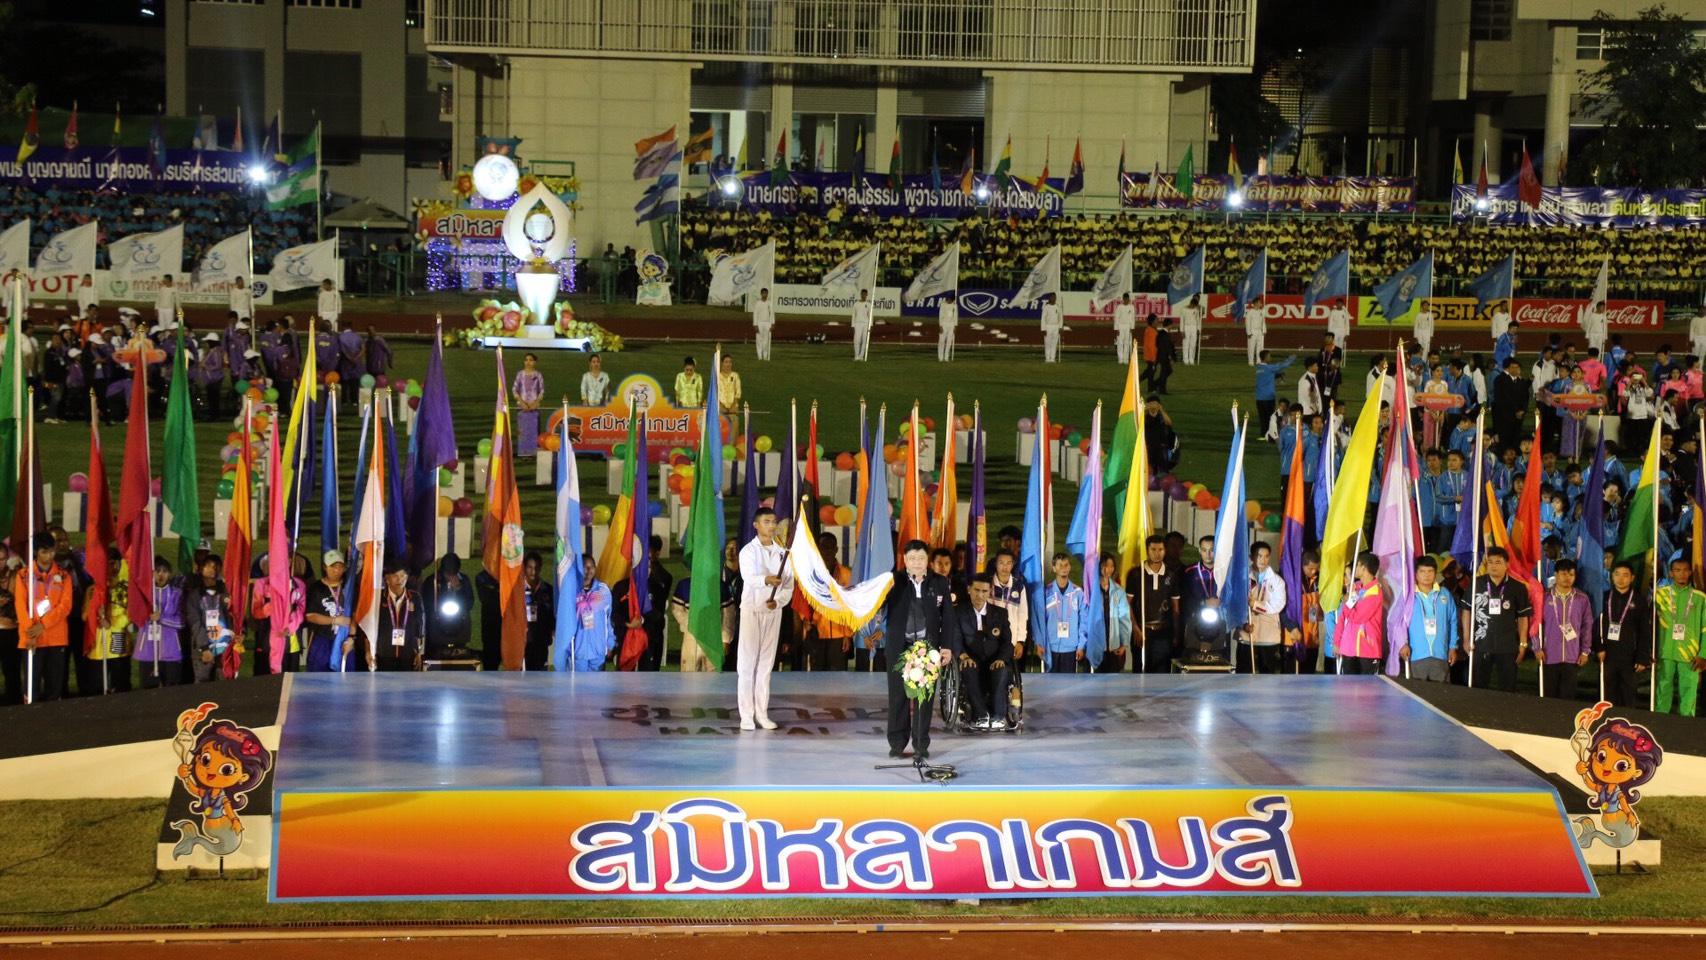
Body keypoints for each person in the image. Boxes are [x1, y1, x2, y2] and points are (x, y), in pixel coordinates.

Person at [881, 540, 957, 758]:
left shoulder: (939, 582)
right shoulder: (893, 581)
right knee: (898, 696)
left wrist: (947, 647)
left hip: (927, 648)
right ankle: (897, 743)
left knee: (923, 697)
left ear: (928, 561)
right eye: (912, 558)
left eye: (921, 558)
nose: (917, 563)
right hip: (899, 647)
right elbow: (877, 604)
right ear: (905, 560)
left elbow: (948, 617)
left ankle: (921, 744)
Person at [737, 507, 794, 730]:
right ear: (756, 525)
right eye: (766, 521)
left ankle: (762, 713)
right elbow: (749, 577)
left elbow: (788, 585)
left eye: (773, 522)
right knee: (747, 665)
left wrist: (777, 602)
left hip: (772, 612)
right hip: (752, 610)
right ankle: (746, 715)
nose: (771, 526)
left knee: (765, 665)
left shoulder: (783, 553)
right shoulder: (748, 551)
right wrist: (767, 580)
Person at [1459, 546, 1532, 692]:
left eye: (1498, 562)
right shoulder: (1476, 584)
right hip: (1481, 643)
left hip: (1507, 645)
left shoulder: (1518, 587)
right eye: (1490, 562)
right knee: (1478, 687)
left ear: (1507, 564)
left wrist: (1523, 643)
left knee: (1508, 687)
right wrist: (1466, 638)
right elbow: (1466, 611)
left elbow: (1523, 617)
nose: (1493, 566)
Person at [15, 533, 74, 703]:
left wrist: (43, 625)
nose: (49, 555)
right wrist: (30, 633)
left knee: (54, 687)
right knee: (31, 688)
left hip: (56, 638)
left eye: (52, 551)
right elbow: (21, 606)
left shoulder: (64, 576)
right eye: (44, 552)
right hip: (32, 638)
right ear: (36, 552)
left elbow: (65, 606)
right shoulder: (23, 575)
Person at [956, 573, 1014, 729]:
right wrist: (963, 656)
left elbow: (1007, 643)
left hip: (994, 659)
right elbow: (955, 638)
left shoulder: (1000, 613)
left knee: (1001, 670)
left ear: (990, 592)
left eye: (984, 591)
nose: (980, 595)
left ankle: (998, 716)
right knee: (968, 668)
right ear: (969, 589)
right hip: (971, 658)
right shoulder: (958, 612)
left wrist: (1001, 659)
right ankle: (980, 715)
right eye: (976, 590)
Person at [1653, 557, 1706, 716]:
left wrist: (1703, 654)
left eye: (1685, 570)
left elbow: (1705, 629)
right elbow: (1650, 626)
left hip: (1690, 654)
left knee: (1688, 692)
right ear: (1671, 573)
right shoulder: (1660, 595)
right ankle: (1660, 723)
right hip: (1665, 651)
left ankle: (1687, 726)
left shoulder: (1700, 597)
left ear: (1690, 572)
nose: (1681, 574)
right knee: (1663, 689)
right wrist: (1652, 649)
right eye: (1677, 570)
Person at [1538, 559, 1593, 700]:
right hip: (1548, 655)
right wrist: (1536, 647)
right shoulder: (1544, 597)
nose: (1567, 578)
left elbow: (1587, 625)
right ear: (1555, 575)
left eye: (1571, 574)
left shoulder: (1582, 599)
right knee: (1549, 698)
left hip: (1572, 657)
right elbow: (1536, 624)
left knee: (1567, 698)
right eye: (1563, 574)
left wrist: (1585, 651)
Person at [1598, 561, 1651, 708]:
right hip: (1607, 654)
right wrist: (1599, 647)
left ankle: (1627, 721)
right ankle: (1606, 720)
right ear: (1611, 576)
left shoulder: (1639, 600)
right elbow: (1596, 625)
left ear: (1632, 578)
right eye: (1617, 574)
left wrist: (1642, 657)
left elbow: (1644, 631)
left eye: (1625, 575)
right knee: (1607, 694)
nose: (1620, 578)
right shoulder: (1603, 597)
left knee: (1628, 694)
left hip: (1629, 656)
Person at [1127, 535, 1180, 673]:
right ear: (1147, 550)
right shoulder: (1136, 574)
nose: (1157, 553)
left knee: (1161, 672)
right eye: (1153, 549)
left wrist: (1176, 633)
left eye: (1160, 549)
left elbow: (1175, 607)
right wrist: (1136, 628)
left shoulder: (1171, 575)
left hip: (1163, 632)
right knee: (1140, 670)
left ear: (1165, 550)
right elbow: (1128, 604)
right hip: (1142, 631)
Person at [83, 549, 133, 694]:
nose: (113, 567)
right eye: (108, 564)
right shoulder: (92, 590)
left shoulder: (126, 589)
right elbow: (84, 616)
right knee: (97, 686)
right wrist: (94, 609)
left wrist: (111, 623)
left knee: (121, 683)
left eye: (115, 563)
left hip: (119, 641)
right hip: (98, 644)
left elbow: (130, 615)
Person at [802, 531, 852, 671]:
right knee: (817, 675)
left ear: (836, 549)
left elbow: (850, 608)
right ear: (818, 549)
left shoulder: (846, 575)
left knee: (838, 677)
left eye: (831, 547)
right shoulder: (810, 575)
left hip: (839, 635)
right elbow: (803, 601)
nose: (827, 550)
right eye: (824, 547)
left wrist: (847, 635)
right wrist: (806, 622)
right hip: (816, 631)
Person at [186, 555, 241, 681]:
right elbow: (195, 623)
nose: (213, 569)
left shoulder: (227, 592)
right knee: (203, 687)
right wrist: (204, 648)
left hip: (225, 649)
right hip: (204, 650)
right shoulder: (194, 595)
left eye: (216, 566)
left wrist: (241, 632)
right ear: (201, 569)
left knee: (226, 685)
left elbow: (237, 614)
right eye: (208, 566)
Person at [1403, 556, 1457, 682]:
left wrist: (1453, 646)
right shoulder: (1408, 595)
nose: (1426, 575)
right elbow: (1399, 623)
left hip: (1440, 653)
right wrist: (1402, 643)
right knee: (1417, 692)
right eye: (1422, 571)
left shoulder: (1444, 594)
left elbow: (1453, 621)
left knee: (1440, 692)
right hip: (1416, 653)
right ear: (1416, 574)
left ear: (1435, 573)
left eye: (1430, 571)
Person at [136, 558, 187, 687]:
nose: (161, 574)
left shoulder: (177, 594)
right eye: (157, 571)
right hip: (147, 651)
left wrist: (162, 618)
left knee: (172, 690)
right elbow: (134, 617)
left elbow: (182, 622)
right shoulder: (143, 594)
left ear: (169, 574)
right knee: (148, 690)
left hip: (170, 651)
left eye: (165, 571)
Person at [304, 551, 355, 672]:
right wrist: (334, 620)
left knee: (345, 676)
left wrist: (352, 637)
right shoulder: (316, 588)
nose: (337, 570)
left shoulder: (349, 587)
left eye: (340, 566)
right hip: (322, 639)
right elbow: (310, 616)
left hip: (345, 639)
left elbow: (356, 615)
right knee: (319, 676)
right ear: (324, 567)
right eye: (333, 566)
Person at [1241, 542, 1287, 673]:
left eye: (1266, 556)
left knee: (1267, 676)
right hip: (1246, 634)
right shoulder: (1242, 577)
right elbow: (1236, 604)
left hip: (1268, 635)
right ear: (1251, 557)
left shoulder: (1277, 581)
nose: (1263, 560)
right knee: (1244, 674)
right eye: (1259, 556)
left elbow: (1278, 605)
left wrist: (1256, 605)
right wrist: (1242, 624)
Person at [1336, 552, 1385, 675]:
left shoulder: (1375, 592)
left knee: (1367, 686)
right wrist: (1337, 641)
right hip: (1349, 647)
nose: (1355, 568)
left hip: (1367, 649)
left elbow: (1358, 617)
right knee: (1347, 685)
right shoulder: (1356, 588)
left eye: (1357, 565)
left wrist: (1348, 602)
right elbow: (1343, 616)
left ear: (1363, 568)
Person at [373, 561, 426, 671]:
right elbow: (371, 626)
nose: (399, 580)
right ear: (387, 578)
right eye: (395, 576)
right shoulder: (379, 597)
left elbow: (420, 626)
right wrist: (370, 651)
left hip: (408, 653)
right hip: (384, 654)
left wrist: (419, 652)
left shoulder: (414, 597)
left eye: (402, 576)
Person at [1040, 552, 1087, 673]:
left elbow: (1083, 621)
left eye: (1066, 565)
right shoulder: (1046, 592)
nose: (1063, 568)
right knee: (1050, 683)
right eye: (1060, 565)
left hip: (1071, 647)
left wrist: (1081, 645)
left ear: (1070, 567)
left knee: (1068, 682)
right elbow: (1041, 621)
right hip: (1050, 647)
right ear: (1054, 568)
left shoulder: (1078, 592)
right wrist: (1040, 643)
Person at [424, 553, 475, 658]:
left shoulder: (464, 580)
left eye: (453, 574)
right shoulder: (432, 581)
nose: (451, 577)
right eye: (448, 574)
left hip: (459, 623)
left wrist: (459, 589)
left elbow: (469, 603)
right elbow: (427, 604)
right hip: (437, 624)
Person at [569, 556, 615, 671]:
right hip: (578, 651)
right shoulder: (571, 590)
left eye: (592, 567)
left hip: (598, 651)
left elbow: (608, 618)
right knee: (578, 683)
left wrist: (610, 643)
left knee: (598, 682)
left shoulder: (603, 590)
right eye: (585, 567)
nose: (589, 570)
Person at [1096, 553, 1133, 673]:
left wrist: (1124, 643)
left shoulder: (1118, 591)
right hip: (1096, 645)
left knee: (1112, 679)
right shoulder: (1091, 589)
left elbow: (1124, 618)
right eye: (1105, 565)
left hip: (1113, 645)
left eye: (1111, 566)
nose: (1108, 569)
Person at [520, 552, 555, 671]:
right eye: (530, 567)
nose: (533, 572)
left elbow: (552, 614)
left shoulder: (548, 589)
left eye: (536, 568)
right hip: (523, 640)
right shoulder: (517, 589)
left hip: (541, 640)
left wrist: (552, 630)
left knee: (540, 675)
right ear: (524, 567)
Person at [1253, 351, 1296, 435]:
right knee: (1270, 418)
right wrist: (1291, 359)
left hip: (1259, 398)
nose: (1270, 358)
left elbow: (1266, 377)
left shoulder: (1258, 368)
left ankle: (1262, 435)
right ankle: (1270, 434)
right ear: (1265, 357)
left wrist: (1277, 375)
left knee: (1262, 418)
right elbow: (1282, 365)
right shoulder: (1270, 368)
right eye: (1269, 356)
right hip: (1268, 398)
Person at [512, 352, 545, 456]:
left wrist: (535, 403)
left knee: (533, 430)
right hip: (522, 407)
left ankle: (533, 452)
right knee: (523, 431)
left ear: (535, 362)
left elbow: (542, 391)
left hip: (534, 408)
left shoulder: (538, 375)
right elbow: (514, 390)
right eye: (526, 360)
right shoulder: (520, 374)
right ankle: (523, 453)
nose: (528, 362)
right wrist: (522, 403)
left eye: (531, 360)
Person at [1178, 294, 1204, 365]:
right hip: (1186, 327)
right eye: (1193, 305)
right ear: (1191, 303)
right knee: (1186, 343)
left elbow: (1198, 320)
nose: (1193, 307)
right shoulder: (1184, 309)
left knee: (1193, 344)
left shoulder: (1196, 309)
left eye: (1195, 306)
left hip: (1194, 327)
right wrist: (1182, 330)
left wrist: (1198, 329)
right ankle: (1185, 359)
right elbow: (1182, 320)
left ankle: (1191, 359)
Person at [1112, 293, 1137, 364]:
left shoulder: (1131, 307)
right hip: (1120, 326)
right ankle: (1120, 359)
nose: (1126, 300)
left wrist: (1132, 327)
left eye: (1127, 299)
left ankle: (1126, 359)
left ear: (1129, 299)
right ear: (1123, 299)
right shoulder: (1119, 307)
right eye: (1125, 299)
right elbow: (1116, 318)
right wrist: (1117, 329)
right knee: (1120, 343)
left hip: (1128, 326)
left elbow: (1132, 318)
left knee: (1127, 343)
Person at [752, 287, 776, 361]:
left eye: (766, 293)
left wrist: (773, 324)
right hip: (759, 323)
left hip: (767, 323)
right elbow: (755, 314)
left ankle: (765, 356)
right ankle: (760, 356)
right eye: (763, 293)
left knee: (766, 340)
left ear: (767, 294)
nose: (765, 295)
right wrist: (755, 324)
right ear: (761, 294)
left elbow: (772, 314)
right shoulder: (758, 303)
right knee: (759, 340)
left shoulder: (769, 303)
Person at [850, 288, 874, 362]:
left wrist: (870, 325)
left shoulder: (869, 304)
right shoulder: (856, 304)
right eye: (862, 294)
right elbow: (853, 315)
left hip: (866, 324)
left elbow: (870, 316)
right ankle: (856, 356)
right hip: (857, 324)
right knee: (856, 340)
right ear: (861, 294)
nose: (864, 295)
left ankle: (861, 356)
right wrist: (853, 325)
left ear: (867, 295)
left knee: (864, 340)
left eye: (865, 294)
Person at [1040, 294, 1063, 363]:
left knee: (1054, 343)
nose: (1053, 299)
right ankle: (1047, 358)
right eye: (1052, 297)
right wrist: (1043, 328)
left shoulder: (1058, 307)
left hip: (1056, 326)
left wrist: (1060, 327)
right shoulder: (1046, 307)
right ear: (1050, 298)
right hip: (1048, 326)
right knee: (1047, 343)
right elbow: (1043, 318)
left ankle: (1052, 358)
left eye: (1055, 297)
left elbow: (1060, 318)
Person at [1244, 298, 1267, 365]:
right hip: (1252, 332)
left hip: (1259, 331)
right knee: (1251, 347)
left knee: (1260, 347)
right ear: (1256, 303)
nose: (1261, 304)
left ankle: (1258, 361)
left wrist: (1264, 330)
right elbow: (1247, 323)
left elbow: (1263, 322)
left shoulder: (1261, 312)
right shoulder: (1250, 312)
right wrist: (1249, 332)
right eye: (1260, 302)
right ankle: (1251, 361)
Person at [937, 291, 958, 363]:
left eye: (949, 299)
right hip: (944, 324)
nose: (948, 300)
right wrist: (940, 326)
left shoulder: (955, 305)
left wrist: (955, 326)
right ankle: (940, 357)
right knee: (941, 341)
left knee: (949, 342)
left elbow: (955, 316)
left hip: (951, 325)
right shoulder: (943, 304)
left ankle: (946, 357)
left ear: (952, 299)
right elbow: (940, 315)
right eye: (947, 299)